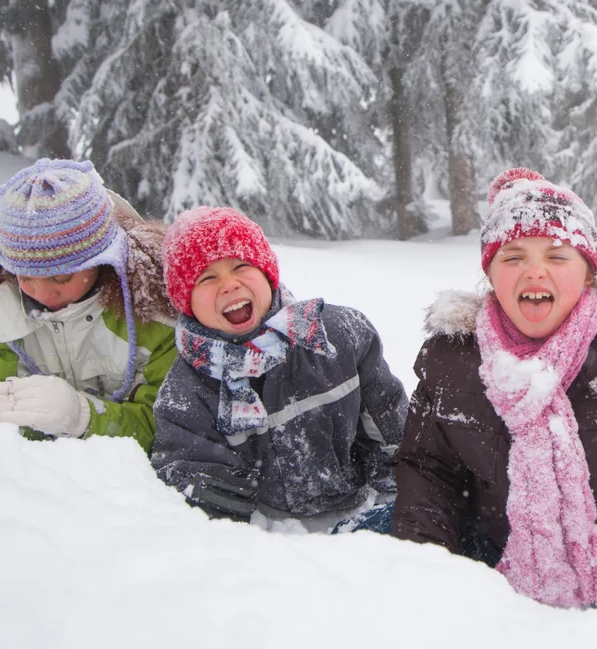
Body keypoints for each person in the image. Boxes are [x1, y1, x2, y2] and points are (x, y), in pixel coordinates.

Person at [391, 168, 597, 609]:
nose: (534, 272)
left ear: (587, 275)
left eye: (557, 257)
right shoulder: (451, 361)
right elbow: (430, 476)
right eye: (513, 257)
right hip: (491, 545)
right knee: (362, 545)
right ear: (490, 275)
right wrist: (426, 583)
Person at [150, 206, 408, 528]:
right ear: (186, 302)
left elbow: (392, 432)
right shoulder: (187, 391)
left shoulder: (338, 336)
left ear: (267, 273)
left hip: (360, 515)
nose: (229, 284)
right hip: (270, 542)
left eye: (241, 266)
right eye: (207, 277)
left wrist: (398, 508)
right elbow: (202, 494)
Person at [0, 159, 176, 453]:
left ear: (104, 260)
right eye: (25, 276)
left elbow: (168, 430)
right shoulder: (0, 309)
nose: (43, 292)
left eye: (61, 276)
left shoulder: (153, 315)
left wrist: (83, 417)